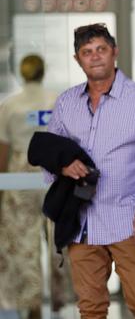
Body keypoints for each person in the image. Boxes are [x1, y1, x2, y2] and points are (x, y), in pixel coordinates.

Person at [46, 23, 135, 318]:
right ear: (77, 59)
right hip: (81, 223)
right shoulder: (66, 103)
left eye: (101, 49)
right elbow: (51, 155)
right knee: (90, 308)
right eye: (86, 52)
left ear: (114, 52)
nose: (95, 57)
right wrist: (62, 168)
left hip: (129, 218)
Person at [0, 54, 59, 319]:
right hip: (50, 176)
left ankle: (31, 300)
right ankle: (60, 297)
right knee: (57, 239)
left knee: (23, 242)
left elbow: (3, 150)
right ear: (43, 71)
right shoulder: (55, 102)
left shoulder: (10, 105)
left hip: (19, 178)